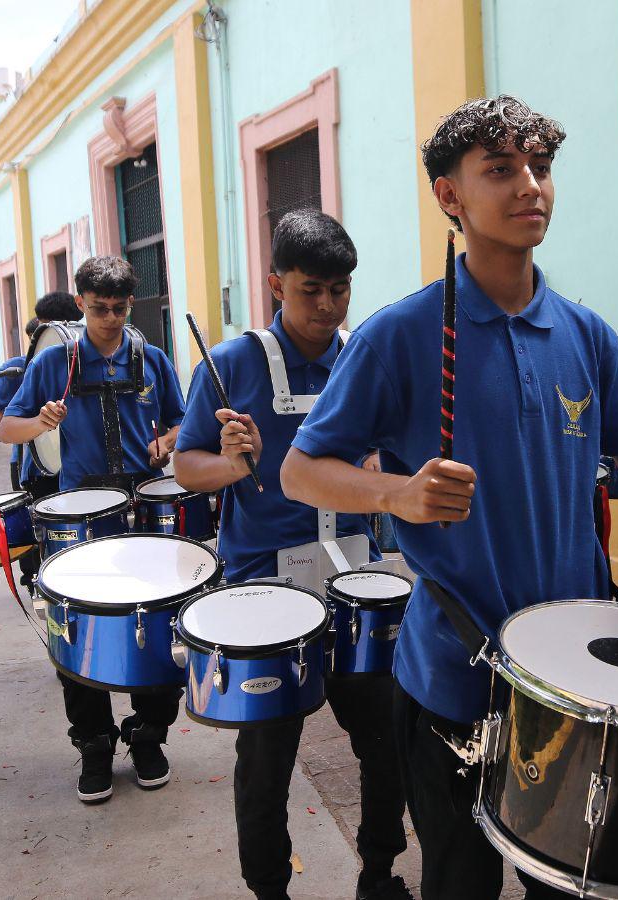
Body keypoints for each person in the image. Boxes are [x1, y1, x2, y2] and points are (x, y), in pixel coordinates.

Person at [279, 96, 618, 900]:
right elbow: (303, 470)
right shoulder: (401, 335)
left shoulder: (588, 335)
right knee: (459, 882)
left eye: (540, 168)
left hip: (577, 679)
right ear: (451, 196)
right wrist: (398, 494)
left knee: (570, 882)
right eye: (502, 170)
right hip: (454, 675)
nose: (530, 187)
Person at [174, 210, 410, 900]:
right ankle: (270, 888)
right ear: (275, 284)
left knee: (385, 738)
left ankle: (378, 871)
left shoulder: (361, 357)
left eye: (341, 290)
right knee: (267, 755)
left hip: (355, 581)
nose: (329, 307)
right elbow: (187, 466)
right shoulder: (229, 364)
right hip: (263, 595)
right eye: (312, 291)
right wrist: (228, 463)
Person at [0, 258, 186, 803]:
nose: (109, 318)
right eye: (98, 307)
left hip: (145, 510)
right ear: (80, 303)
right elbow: (6, 426)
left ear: (132, 304)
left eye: (120, 308)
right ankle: (95, 745)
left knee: (160, 629)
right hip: (79, 515)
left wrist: (167, 442)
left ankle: (149, 734)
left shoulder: (152, 359)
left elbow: (181, 420)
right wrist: (40, 423)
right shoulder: (52, 362)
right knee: (77, 633)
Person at [0, 292, 82, 588]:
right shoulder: (19, 366)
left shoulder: (95, 358)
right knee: (41, 541)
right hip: (36, 470)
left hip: (83, 469)